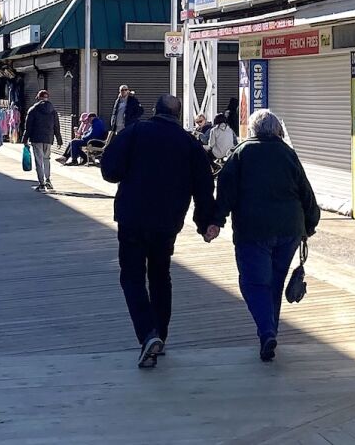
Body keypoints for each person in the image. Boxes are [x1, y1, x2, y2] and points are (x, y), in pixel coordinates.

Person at [100, 94, 217, 369]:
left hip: (132, 218)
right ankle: (160, 335)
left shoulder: (136, 132)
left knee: (132, 277)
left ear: (154, 110)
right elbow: (204, 186)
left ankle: (148, 333)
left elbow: (110, 171)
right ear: (178, 115)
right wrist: (205, 223)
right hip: (167, 223)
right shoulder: (189, 143)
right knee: (161, 276)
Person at [212, 109, 321, 363]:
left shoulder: (241, 153)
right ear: (276, 130)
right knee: (274, 282)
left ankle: (267, 331)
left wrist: (215, 222)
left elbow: (225, 191)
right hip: (289, 230)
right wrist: (310, 223)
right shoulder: (288, 154)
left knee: (253, 282)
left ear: (252, 129)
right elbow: (306, 192)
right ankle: (269, 333)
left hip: (253, 230)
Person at [22, 89, 62, 191]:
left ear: (38, 98)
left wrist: (25, 139)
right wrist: (59, 139)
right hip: (48, 138)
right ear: (47, 98)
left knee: (39, 161)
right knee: (46, 159)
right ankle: (48, 180)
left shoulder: (33, 110)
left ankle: (41, 183)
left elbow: (28, 127)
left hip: (36, 138)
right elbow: (56, 126)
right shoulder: (53, 110)